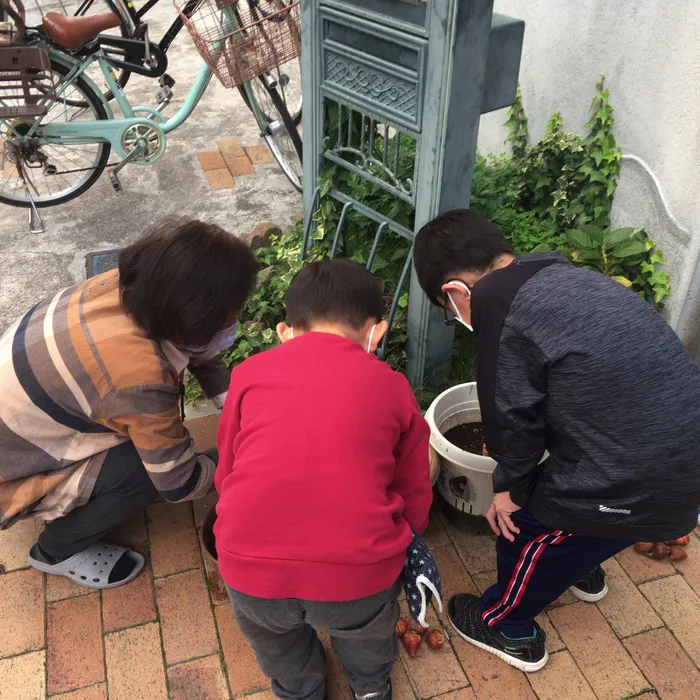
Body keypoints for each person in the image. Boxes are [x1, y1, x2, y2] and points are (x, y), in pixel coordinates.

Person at [412, 209, 700, 672]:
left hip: (650, 477)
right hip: (676, 446)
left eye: (450, 315)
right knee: (555, 504)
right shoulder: (555, 275)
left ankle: (508, 625)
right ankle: (578, 563)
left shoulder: (500, 311)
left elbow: (511, 419)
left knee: (519, 525)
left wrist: (506, 491)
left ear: (454, 292)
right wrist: (511, 457)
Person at [215, 259, 433, 700]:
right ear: (377, 330)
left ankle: (299, 691)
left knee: (276, 646)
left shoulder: (248, 376)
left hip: (248, 570)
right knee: (367, 640)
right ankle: (370, 689)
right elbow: (413, 488)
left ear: (284, 331)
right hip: (357, 577)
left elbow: (227, 466)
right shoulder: (391, 386)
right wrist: (409, 536)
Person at [0, 217, 257, 588]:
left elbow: (198, 345)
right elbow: (178, 483)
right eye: (231, 312)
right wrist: (243, 457)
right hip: (15, 471)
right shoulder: (141, 379)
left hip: (27, 418)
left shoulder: (130, 287)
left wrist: (237, 409)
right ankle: (56, 551)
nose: (234, 320)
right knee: (142, 473)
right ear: (195, 317)